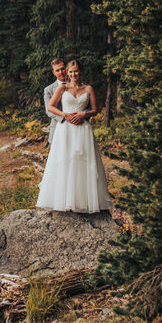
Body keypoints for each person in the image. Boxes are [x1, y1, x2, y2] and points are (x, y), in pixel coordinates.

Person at [36, 60, 111, 213]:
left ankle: (83, 200)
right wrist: (66, 115)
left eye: (75, 71)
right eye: (70, 72)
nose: (72, 74)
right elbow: (50, 107)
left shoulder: (88, 88)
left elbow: (95, 109)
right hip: (65, 130)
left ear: (80, 72)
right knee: (65, 163)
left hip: (83, 129)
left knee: (82, 163)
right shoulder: (61, 88)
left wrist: (84, 114)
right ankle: (65, 201)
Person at [43, 59, 68, 145]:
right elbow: (48, 111)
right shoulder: (49, 90)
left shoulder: (77, 85)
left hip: (77, 126)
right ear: (53, 72)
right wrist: (65, 118)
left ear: (67, 69)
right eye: (57, 70)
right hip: (58, 125)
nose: (61, 72)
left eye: (62, 68)